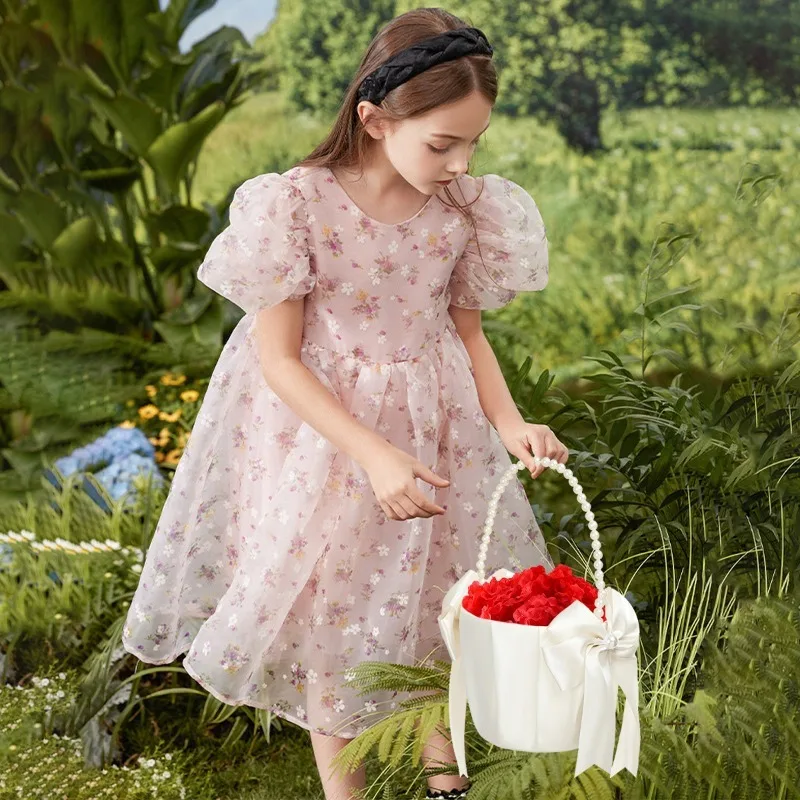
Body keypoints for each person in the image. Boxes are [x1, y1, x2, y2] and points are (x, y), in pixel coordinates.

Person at [122, 7, 569, 799]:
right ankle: (348, 791)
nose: (462, 163)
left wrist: (510, 423)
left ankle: (444, 777)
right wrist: (368, 451)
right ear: (373, 118)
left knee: (441, 588)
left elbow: (467, 338)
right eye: (443, 143)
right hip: (326, 439)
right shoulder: (297, 206)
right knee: (337, 607)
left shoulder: (463, 211)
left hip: (437, 429)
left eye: (474, 143)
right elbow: (279, 360)